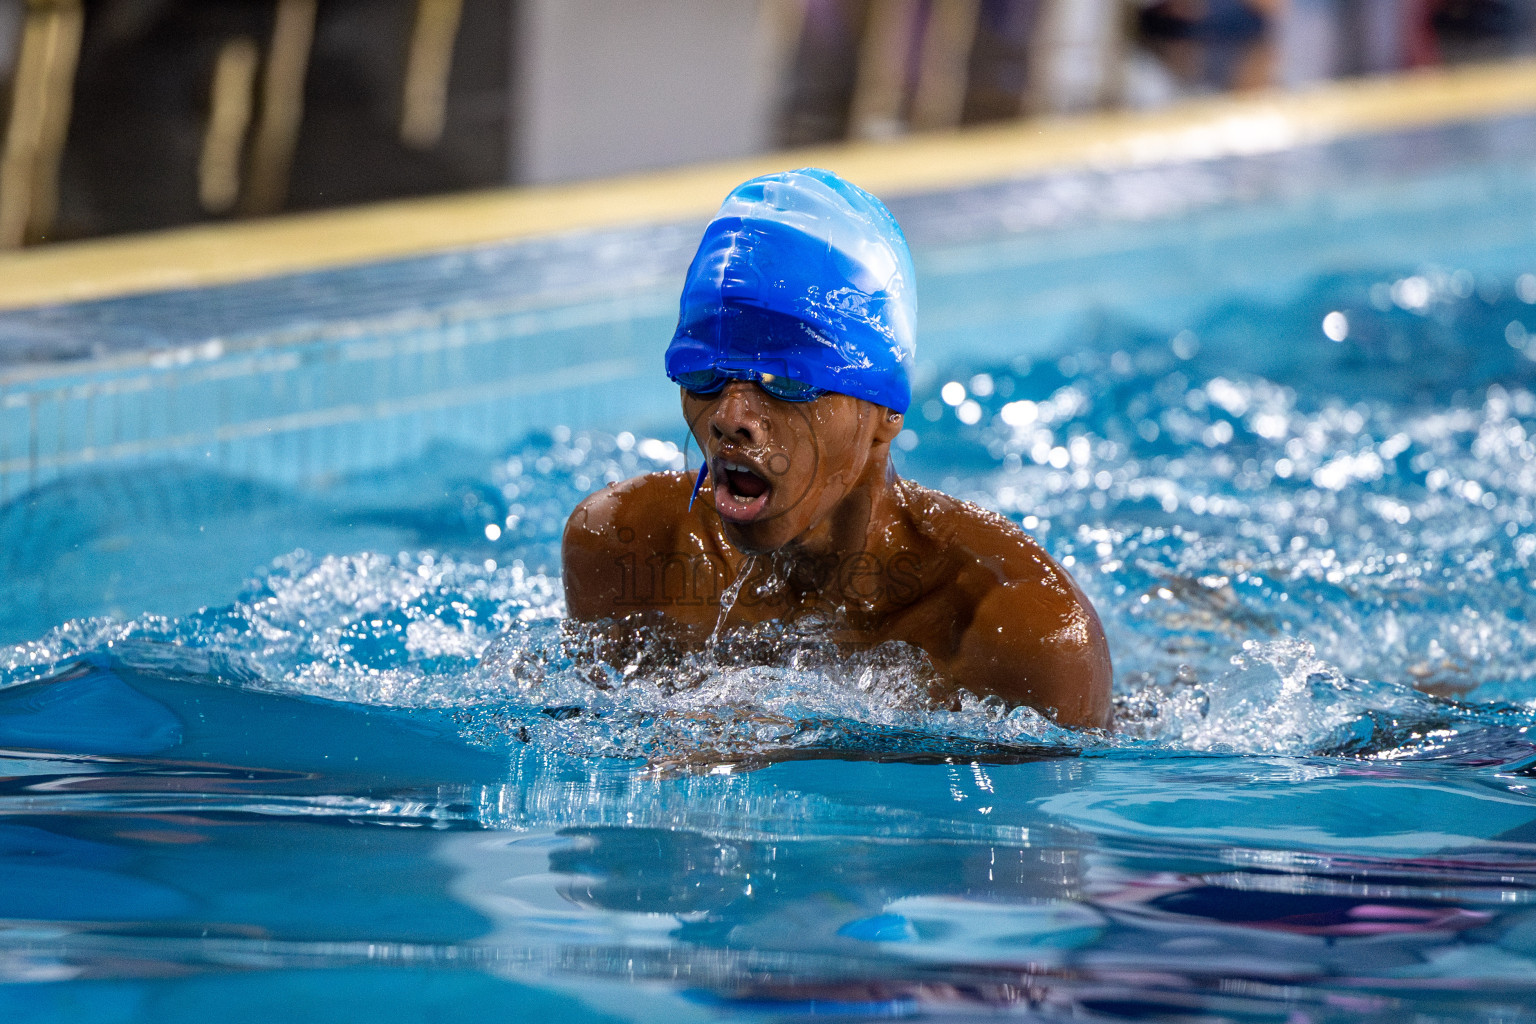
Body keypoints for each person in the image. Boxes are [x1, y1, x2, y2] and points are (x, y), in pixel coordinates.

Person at [562, 168, 1111, 729]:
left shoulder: (1020, 630)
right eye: (704, 373)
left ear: (886, 411)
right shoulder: (628, 547)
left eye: (789, 383)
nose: (730, 419)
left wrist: (791, 742)